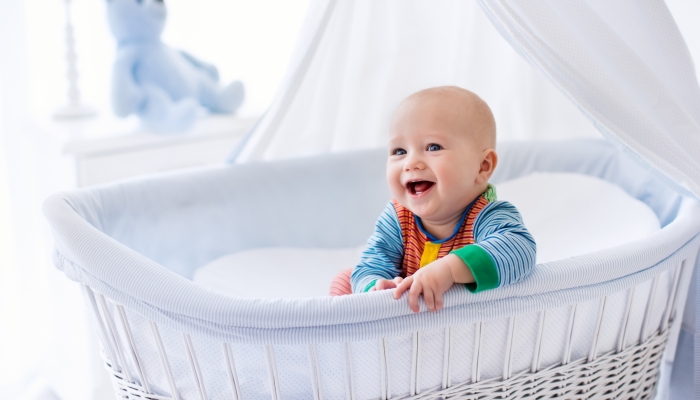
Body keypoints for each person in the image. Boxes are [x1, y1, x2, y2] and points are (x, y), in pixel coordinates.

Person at [330, 86, 536, 313]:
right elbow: (371, 264)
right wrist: (376, 288)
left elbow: (520, 249)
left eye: (433, 147)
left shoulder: (487, 215)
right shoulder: (398, 218)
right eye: (399, 151)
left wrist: (448, 270)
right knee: (345, 280)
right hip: (405, 313)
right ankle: (366, 336)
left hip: (459, 321)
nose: (411, 163)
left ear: (482, 166)